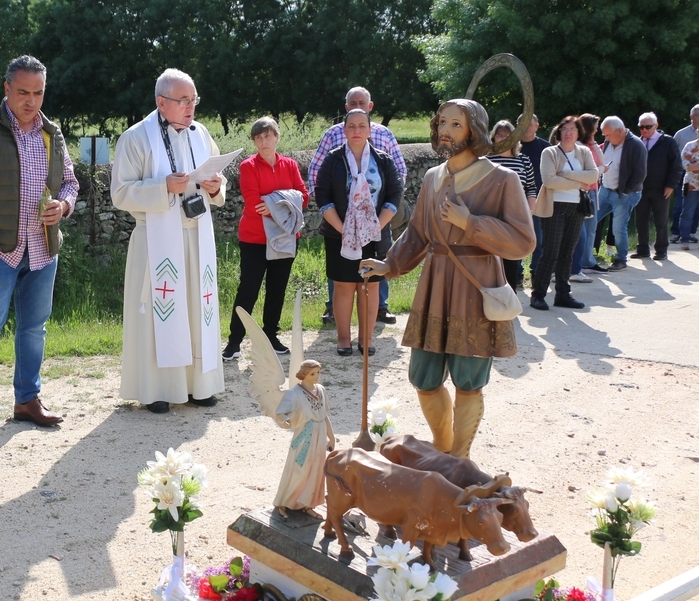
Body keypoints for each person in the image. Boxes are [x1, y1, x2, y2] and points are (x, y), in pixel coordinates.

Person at [360, 100, 535, 458]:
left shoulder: (502, 179)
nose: (445, 131)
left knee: (468, 382)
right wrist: (389, 264)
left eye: (456, 124)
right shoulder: (432, 177)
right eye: (443, 122)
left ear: (475, 130)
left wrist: (470, 222)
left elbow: (523, 240)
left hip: (474, 285)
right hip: (435, 286)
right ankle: (442, 448)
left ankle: (459, 458)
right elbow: (418, 233)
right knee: (423, 378)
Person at [0, 55, 79, 446]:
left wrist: (64, 206)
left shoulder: (52, 133)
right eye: (23, 92)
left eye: (38, 93)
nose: (31, 101)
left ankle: (27, 402)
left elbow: (70, 183)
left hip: (42, 250)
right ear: (6, 89)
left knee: (34, 329)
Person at [112, 68, 227, 414]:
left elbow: (219, 179)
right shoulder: (135, 138)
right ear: (162, 103)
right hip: (157, 242)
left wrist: (216, 187)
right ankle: (158, 389)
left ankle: (198, 385)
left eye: (194, 99)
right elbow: (120, 193)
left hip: (196, 237)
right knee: (161, 313)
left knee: (197, 308)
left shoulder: (201, 133)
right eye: (184, 100)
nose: (191, 106)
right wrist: (164, 187)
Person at [308, 86, 407, 326]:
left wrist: (379, 217)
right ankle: (334, 311)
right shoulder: (333, 136)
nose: (357, 107)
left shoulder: (385, 135)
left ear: (370, 108)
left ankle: (381, 308)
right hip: (339, 224)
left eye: (362, 103)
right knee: (341, 280)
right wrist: (332, 215)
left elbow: (400, 174)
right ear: (346, 109)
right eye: (353, 103)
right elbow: (316, 172)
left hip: (377, 222)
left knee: (374, 278)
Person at [223, 116, 309, 361]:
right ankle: (234, 342)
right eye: (258, 137)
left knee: (277, 289)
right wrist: (284, 202)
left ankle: (271, 336)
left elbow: (303, 197)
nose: (264, 141)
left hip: (285, 236)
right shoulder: (248, 166)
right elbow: (253, 205)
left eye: (268, 135)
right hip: (254, 238)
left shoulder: (290, 165)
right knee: (248, 290)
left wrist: (272, 203)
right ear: (254, 142)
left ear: (277, 137)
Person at [529, 116, 599, 311]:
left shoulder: (583, 152)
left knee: (568, 252)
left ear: (578, 133)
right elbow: (550, 181)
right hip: (554, 206)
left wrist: (565, 174)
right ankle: (538, 295)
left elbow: (593, 176)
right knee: (550, 251)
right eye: (565, 129)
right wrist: (579, 182)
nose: (568, 133)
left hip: (576, 207)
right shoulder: (549, 152)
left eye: (572, 130)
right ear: (559, 131)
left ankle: (562, 294)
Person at [272, 360, 335, 518]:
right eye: (312, 374)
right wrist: (285, 420)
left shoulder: (321, 390)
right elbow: (280, 412)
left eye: (318, 373)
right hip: (305, 435)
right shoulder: (294, 393)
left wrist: (332, 438)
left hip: (320, 434)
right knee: (298, 469)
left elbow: (324, 416)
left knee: (316, 470)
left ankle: (308, 504)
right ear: (304, 374)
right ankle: (284, 502)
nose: (316, 377)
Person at [485, 120, 536, 290]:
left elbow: (531, 188)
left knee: (512, 260)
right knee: (491, 259)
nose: (503, 138)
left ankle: (510, 300)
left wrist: (529, 212)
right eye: (499, 135)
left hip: (515, 217)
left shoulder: (523, 160)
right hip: (491, 215)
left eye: (507, 135)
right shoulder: (485, 161)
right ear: (493, 138)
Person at [594, 116, 646, 271]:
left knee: (618, 227)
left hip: (624, 193)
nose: (606, 138)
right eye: (605, 135)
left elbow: (640, 173)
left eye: (608, 135)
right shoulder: (609, 143)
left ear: (621, 131)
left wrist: (625, 191)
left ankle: (621, 259)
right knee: (590, 220)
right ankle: (583, 257)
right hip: (605, 190)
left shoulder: (636, 145)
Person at [632, 112, 683, 261]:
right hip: (641, 188)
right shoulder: (638, 142)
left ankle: (661, 250)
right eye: (641, 127)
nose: (644, 130)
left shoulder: (668, 142)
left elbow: (677, 165)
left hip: (661, 188)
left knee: (661, 221)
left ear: (656, 126)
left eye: (648, 127)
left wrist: (670, 185)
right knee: (640, 220)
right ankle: (642, 249)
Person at [570, 114, 607, 279]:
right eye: (595, 127)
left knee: (591, 228)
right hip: (583, 191)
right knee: (583, 229)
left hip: (593, 190)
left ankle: (588, 261)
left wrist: (594, 143)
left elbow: (602, 161)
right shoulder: (578, 147)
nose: (597, 130)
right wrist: (600, 170)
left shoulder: (590, 145)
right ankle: (583, 262)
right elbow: (589, 172)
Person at [518, 114, 551, 278]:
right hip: (514, 200)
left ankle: (537, 272)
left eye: (530, 124)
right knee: (515, 237)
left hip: (538, 199)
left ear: (537, 127)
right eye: (522, 124)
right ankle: (516, 273)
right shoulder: (511, 146)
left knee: (539, 238)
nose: (526, 127)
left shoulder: (546, 148)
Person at [670, 104, 699, 242]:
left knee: (696, 207)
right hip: (684, 176)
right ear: (691, 117)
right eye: (698, 115)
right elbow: (673, 155)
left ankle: (691, 232)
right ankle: (676, 233)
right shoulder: (681, 134)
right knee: (680, 205)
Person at [678, 136, 699, 250]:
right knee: (687, 213)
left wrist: (695, 166)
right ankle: (685, 239)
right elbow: (686, 165)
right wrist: (692, 166)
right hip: (691, 185)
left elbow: (692, 166)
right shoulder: (690, 146)